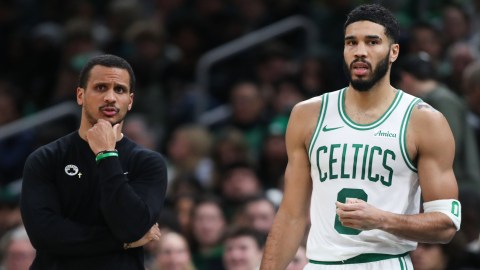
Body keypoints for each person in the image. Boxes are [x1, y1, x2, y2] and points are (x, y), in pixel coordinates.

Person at [260, 4, 461, 270]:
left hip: (385, 262)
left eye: (372, 42)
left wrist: (381, 219)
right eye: (351, 42)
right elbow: (291, 215)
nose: (360, 51)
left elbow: (446, 224)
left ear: (393, 52)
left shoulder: (423, 120)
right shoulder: (307, 114)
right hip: (320, 263)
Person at [20, 54, 167, 270]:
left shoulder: (148, 163)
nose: (110, 97)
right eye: (100, 88)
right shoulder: (46, 158)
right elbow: (44, 235)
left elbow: (131, 226)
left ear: (130, 100)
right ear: (80, 95)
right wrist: (123, 242)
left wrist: (106, 155)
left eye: (119, 89)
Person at [395, 51, 480, 190]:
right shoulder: (434, 98)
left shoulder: (443, 100)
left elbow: (450, 147)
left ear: (405, 79)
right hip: (450, 183)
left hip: (462, 184)